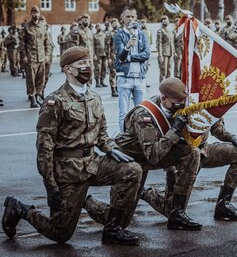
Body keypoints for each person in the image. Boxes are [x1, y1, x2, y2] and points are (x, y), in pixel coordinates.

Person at [2, 46, 142, 245]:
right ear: (68, 69)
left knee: (132, 170)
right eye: (81, 64)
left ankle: (112, 228)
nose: (87, 67)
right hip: (68, 170)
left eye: (88, 63)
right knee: (60, 234)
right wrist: (50, 186)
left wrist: (111, 147)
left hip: (92, 163)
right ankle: (20, 209)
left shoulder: (94, 97)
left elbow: (101, 134)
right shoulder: (55, 101)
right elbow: (44, 148)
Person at [84, 77, 202, 231]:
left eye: (182, 101)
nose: (179, 105)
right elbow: (153, 155)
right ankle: (84, 200)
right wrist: (175, 131)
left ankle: (176, 212)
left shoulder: (178, 109)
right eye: (176, 102)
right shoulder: (144, 115)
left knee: (192, 153)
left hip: (149, 156)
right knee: (119, 221)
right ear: (164, 98)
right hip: (129, 162)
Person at [114, 7, 150, 132]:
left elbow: (146, 54)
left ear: (136, 18)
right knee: (123, 112)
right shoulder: (119, 35)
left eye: (132, 16)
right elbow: (121, 57)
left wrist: (130, 57)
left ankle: (140, 138)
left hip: (140, 78)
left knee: (142, 111)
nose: (130, 19)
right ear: (122, 17)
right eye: (127, 16)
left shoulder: (142, 34)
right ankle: (123, 137)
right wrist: (128, 46)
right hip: (124, 78)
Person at [19, 6, 50, 108]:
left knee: (40, 79)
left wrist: (47, 54)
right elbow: (22, 43)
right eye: (33, 12)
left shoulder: (42, 26)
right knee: (31, 80)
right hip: (31, 58)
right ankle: (32, 98)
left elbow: (47, 42)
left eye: (36, 12)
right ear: (30, 14)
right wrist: (24, 56)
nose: (34, 14)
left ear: (39, 13)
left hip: (41, 57)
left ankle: (38, 96)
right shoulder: (26, 27)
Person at [156, 15, 174, 82]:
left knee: (169, 72)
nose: (166, 21)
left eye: (167, 20)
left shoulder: (170, 31)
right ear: (162, 22)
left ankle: (167, 88)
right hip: (164, 54)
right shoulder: (160, 31)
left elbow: (172, 43)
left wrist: (173, 53)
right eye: (164, 20)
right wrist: (160, 55)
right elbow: (159, 43)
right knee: (163, 72)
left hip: (170, 54)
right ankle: (162, 88)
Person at [93, 24, 108, 88]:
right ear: (96, 28)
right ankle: (97, 82)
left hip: (104, 54)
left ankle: (102, 81)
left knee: (104, 68)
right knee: (98, 68)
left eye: (99, 26)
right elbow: (93, 46)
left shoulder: (104, 35)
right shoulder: (94, 36)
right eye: (97, 27)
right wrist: (94, 55)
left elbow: (107, 44)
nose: (98, 27)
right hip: (97, 54)